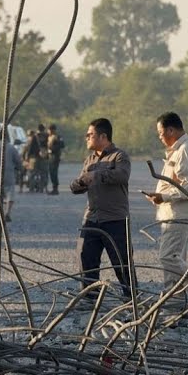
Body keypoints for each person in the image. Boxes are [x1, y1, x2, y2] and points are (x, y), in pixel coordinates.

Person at [70, 118, 134, 301]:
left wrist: (97, 175)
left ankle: (132, 300)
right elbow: (75, 186)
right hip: (92, 218)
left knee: (122, 263)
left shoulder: (119, 156)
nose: (86, 138)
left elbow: (122, 176)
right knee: (86, 260)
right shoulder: (89, 160)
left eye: (90, 134)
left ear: (103, 136)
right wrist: (82, 181)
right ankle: (90, 299)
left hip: (115, 219)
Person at [143, 112, 188, 296]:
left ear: (171, 130)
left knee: (168, 257)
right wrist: (160, 196)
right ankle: (174, 300)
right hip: (171, 213)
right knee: (175, 259)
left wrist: (164, 197)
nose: (160, 137)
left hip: (179, 214)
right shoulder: (177, 150)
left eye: (161, 133)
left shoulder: (184, 150)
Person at [0, 127, 23, 222]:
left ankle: (0, 213)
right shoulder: (11, 148)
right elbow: (18, 161)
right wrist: (20, 168)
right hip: (9, 174)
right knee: (10, 194)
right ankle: (7, 213)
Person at [46, 124, 65, 195]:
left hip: (55, 156)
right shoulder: (49, 137)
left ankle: (55, 189)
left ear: (52, 130)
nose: (48, 131)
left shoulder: (57, 137)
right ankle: (54, 188)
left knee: (54, 173)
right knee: (51, 173)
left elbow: (62, 145)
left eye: (49, 130)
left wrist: (53, 149)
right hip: (50, 157)